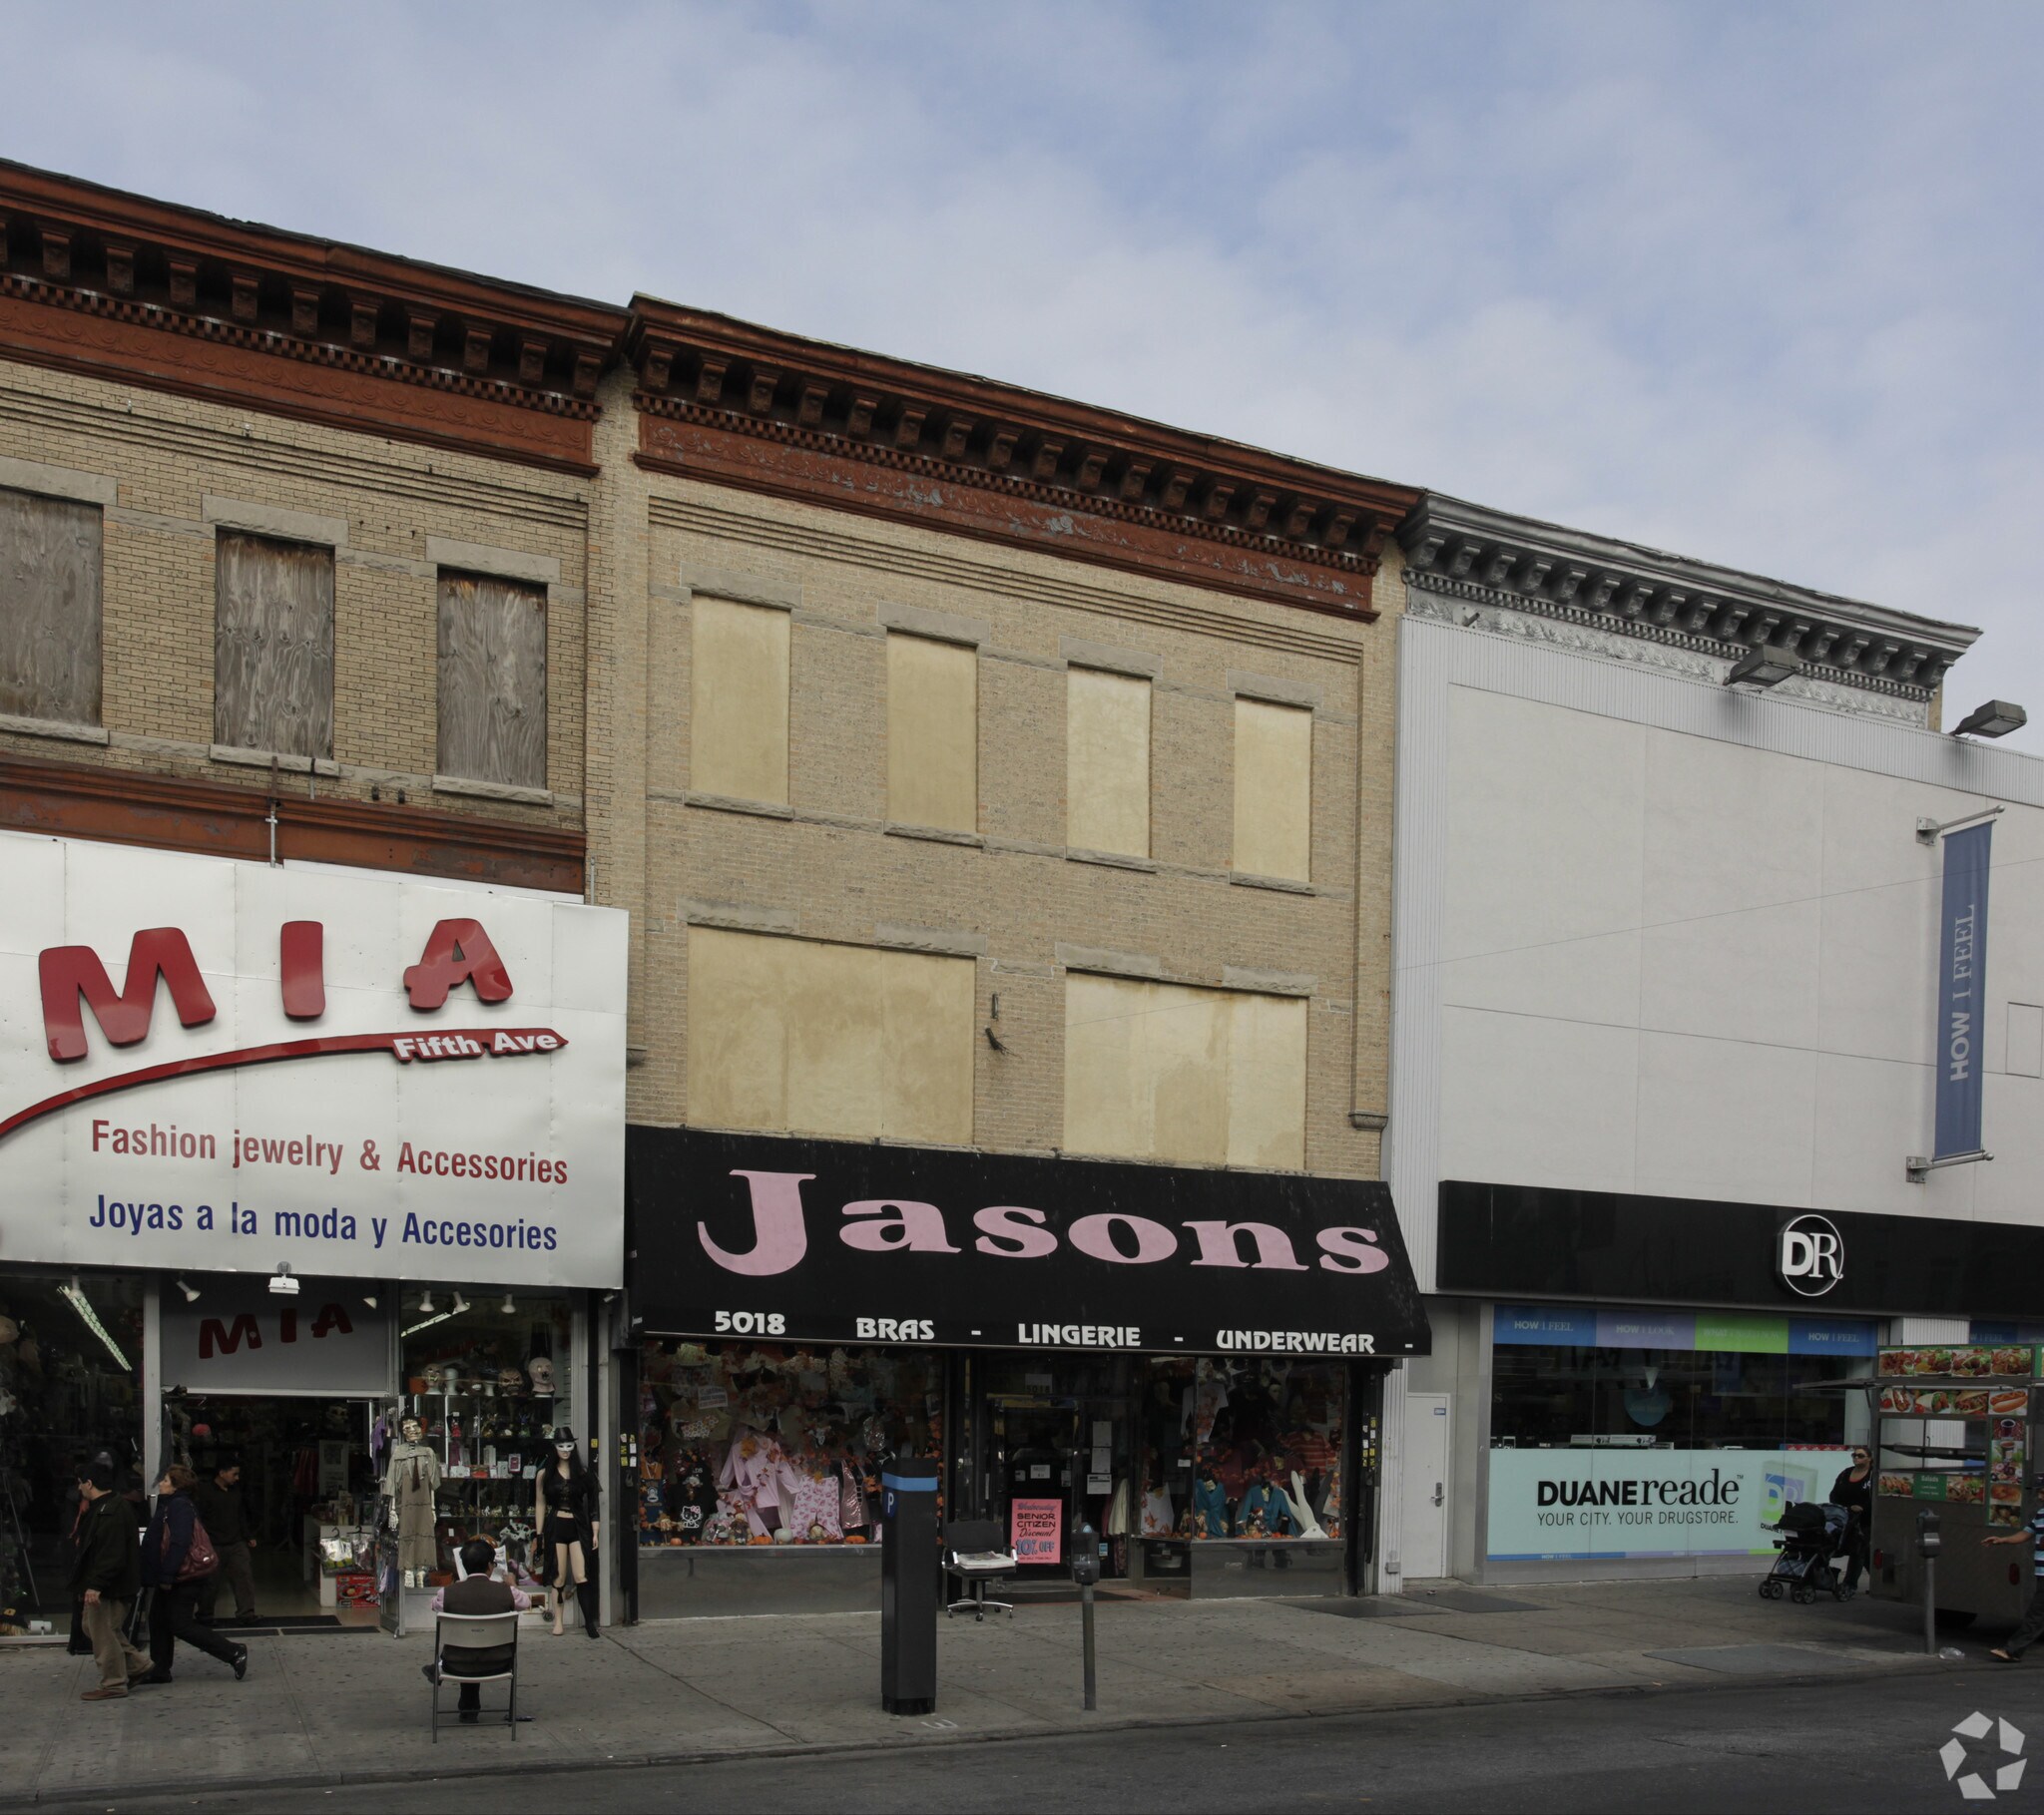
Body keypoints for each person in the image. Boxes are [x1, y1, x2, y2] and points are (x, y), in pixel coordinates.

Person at [138, 1465, 248, 1684]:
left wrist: (168, 1575)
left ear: (177, 1486)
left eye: (166, 1480)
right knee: (158, 1620)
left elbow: (180, 1542)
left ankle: (234, 1652)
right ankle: (159, 1669)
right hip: (170, 1574)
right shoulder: (170, 1504)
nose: (161, 1483)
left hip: (182, 1576)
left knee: (180, 1623)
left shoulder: (179, 1506)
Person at [421, 1539, 529, 1723]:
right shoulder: (506, 1592)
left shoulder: (447, 1593)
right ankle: (468, 1708)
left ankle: (466, 1706)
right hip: (499, 1662)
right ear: (490, 1566)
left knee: (468, 1646)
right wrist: (511, 1584)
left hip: (455, 1663)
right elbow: (526, 1602)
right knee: (477, 1646)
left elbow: (434, 1605)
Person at [70, 1462, 153, 1701]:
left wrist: (96, 1585)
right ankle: (137, 1665)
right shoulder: (105, 1507)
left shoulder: (111, 1510)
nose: (78, 1488)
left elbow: (111, 1554)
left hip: (112, 1586)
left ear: (89, 1483)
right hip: (110, 1584)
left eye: (80, 1483)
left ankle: (114, 1683)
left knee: (103, 1632)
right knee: (93, 1627)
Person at [533, 1430, 600, 1638]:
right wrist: (539, 1534)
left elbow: (594, 1505)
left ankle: (589, 1622)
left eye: (569, 1445)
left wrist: (595, 1532)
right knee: (559, 1576)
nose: (565, 1450)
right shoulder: (545, 1474)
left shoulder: (584, 1473)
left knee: (581, 1575)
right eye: (561, 1446)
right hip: (556, 1526)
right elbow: (540, 1504)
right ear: (554, 1447)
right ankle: (558, 1622)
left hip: (579, 1526)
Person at [191, 1458, 259, 1625]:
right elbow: (197, 1518)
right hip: (212, 1543)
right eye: (234, 1474)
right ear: (221, 1473)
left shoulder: (236, 1491)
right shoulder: (204, 1492)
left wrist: (248, 1536)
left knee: (243, 1577)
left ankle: (246, 1614)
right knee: (210, 1582)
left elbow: (240, 1514)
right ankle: (205, 1615)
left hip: (236, 1542)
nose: (236, 1478)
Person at [1985, 1480, 2044, 1662]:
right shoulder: (2041, 1514)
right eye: (2039, 1492)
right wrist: (2003, 1540)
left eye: (2043, 1492)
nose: (2039, 1496)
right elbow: (2026, 1533)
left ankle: (2012, 1650)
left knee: (2037, 1614)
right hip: (2042, 1572)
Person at [1829, 1444, 1874, 1589]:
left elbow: (1876, 1498)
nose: (1856, 1458)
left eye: (1861, 1455)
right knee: (1865, 1553)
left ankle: (1849, 1584)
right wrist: (1842, 1508)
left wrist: (1863, 1508)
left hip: (1865, 1520)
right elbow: (1834, 1493)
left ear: (1870, 1459)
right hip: (1846, 1517)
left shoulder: (1873, 1475)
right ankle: (1880, 1582)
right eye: (1854, 1455)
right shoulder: (1845, 1473)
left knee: (1858, 1549)